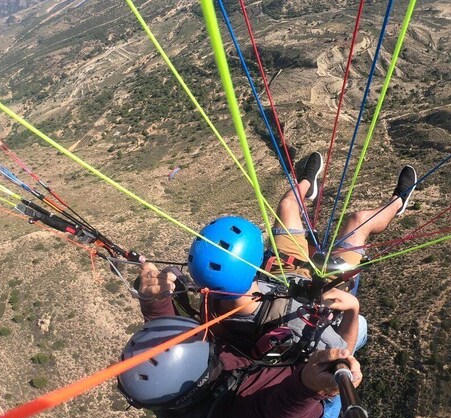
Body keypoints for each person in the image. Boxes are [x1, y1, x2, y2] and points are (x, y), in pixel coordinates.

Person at [138, 153, 417, 360]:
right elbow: (344, 355)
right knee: (359, 221)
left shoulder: (211, 301)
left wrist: (169, 285)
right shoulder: (291, 323)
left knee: (286, 205)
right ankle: (399, 201)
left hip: (284, 270)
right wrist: (353, 310)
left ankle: (308, 182)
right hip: (321, 292)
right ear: (255, 260)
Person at [117, 315, 362, 418]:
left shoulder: (165, 389)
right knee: (358, 328)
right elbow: (271, 411)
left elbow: (167, 345)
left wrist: (155, 301)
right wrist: (307, 387)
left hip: (259, 406)